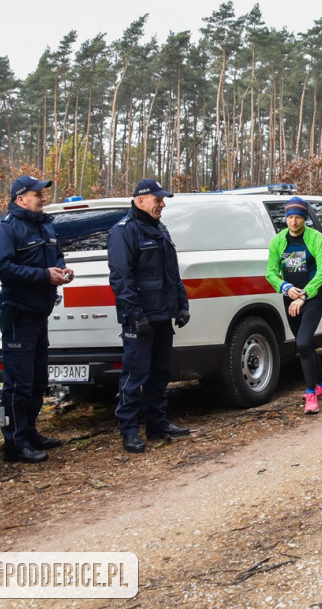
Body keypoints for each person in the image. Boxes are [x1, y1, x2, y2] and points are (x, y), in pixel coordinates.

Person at [0, 176, 73, 463]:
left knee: (38, 380)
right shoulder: (5, 229)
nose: (42, 197)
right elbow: (3, 269)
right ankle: (14, 444)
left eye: (42, 193)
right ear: (20, 198)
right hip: (18, 313)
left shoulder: (45, 225)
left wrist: (62, 271)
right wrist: (43, 276)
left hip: (39, 312)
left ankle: (30, 431)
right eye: (37, 194)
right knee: (18, 382)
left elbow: (56, 258)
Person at [108, 179, 191, 453]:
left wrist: (181, 305)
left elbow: (171, 273)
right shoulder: (124, 232)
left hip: (161, 315)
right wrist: (134, 315)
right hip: (139, 318)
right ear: (140, 200)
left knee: (160, 374)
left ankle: (158, 424)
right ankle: (129, 431)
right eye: (158, 200)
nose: (162, 204)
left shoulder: (160, 229)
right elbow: (122, 279)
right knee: (135, 375)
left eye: (162, 200)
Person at [266, 197, 322, 415]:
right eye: (290, 217)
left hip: (312, 297)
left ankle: (311, 393)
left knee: (302, 343)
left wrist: (304, 295)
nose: (293, 222)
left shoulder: (316, 239)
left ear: (304, 218)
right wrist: (285, 287)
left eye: (298, 217)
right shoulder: (278, 241)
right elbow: (271, 273)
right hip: (290, 298)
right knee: (306, 344)